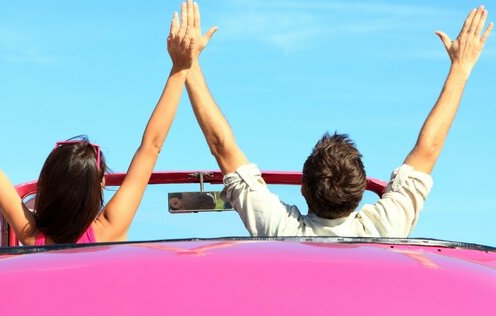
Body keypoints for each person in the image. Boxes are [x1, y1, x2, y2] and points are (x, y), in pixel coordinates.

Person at [0, 4, 197, 245]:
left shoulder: (31, 234)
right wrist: (179, 70)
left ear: (48, 185)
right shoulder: (110, 229)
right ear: (98, 188)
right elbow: (152, 146)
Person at [184, 2, 492, 237]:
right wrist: (461, 68)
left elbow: (222, 146)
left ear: (304, 188)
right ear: (358, 196)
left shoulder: (283, 231)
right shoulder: (382, 230)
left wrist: (188, 65)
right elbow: (428, 150)